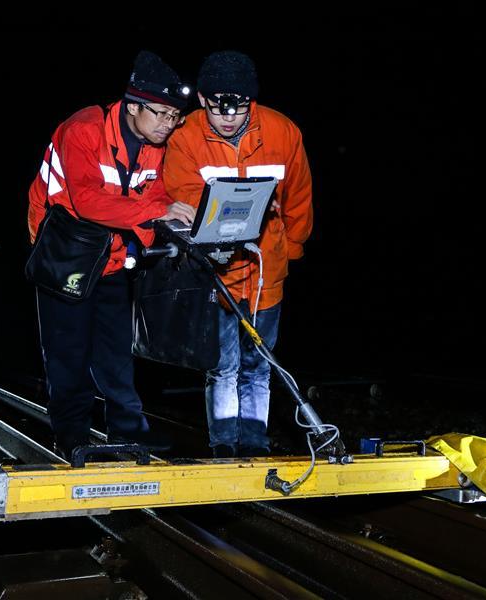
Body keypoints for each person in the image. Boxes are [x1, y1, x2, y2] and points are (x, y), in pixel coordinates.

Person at [28, 51, 196, 459]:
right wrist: (156, 212)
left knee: (116, 350)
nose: (167, 125)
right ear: (133, 106)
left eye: (174, 118)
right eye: (160, 115)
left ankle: (130, 431)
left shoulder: (155, 144)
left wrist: (176, 218)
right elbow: (86, 200)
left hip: (113, 253)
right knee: (68, 351)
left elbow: (152, 193)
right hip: (64, 251)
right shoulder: (83, 129)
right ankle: (72, 436)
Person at [163, 51, 313, 458]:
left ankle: (255, 443)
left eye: (238, 106)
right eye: (217, 107)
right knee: (223, 365)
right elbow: (181, 195)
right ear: (202, 101)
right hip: (216, 274)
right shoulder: (186, 137)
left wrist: (290, 249)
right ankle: (225, 446)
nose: (228, 117)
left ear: (252, 101)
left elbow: (299, 196)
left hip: (267, 272)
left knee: (259, 365)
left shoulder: (283, 132)